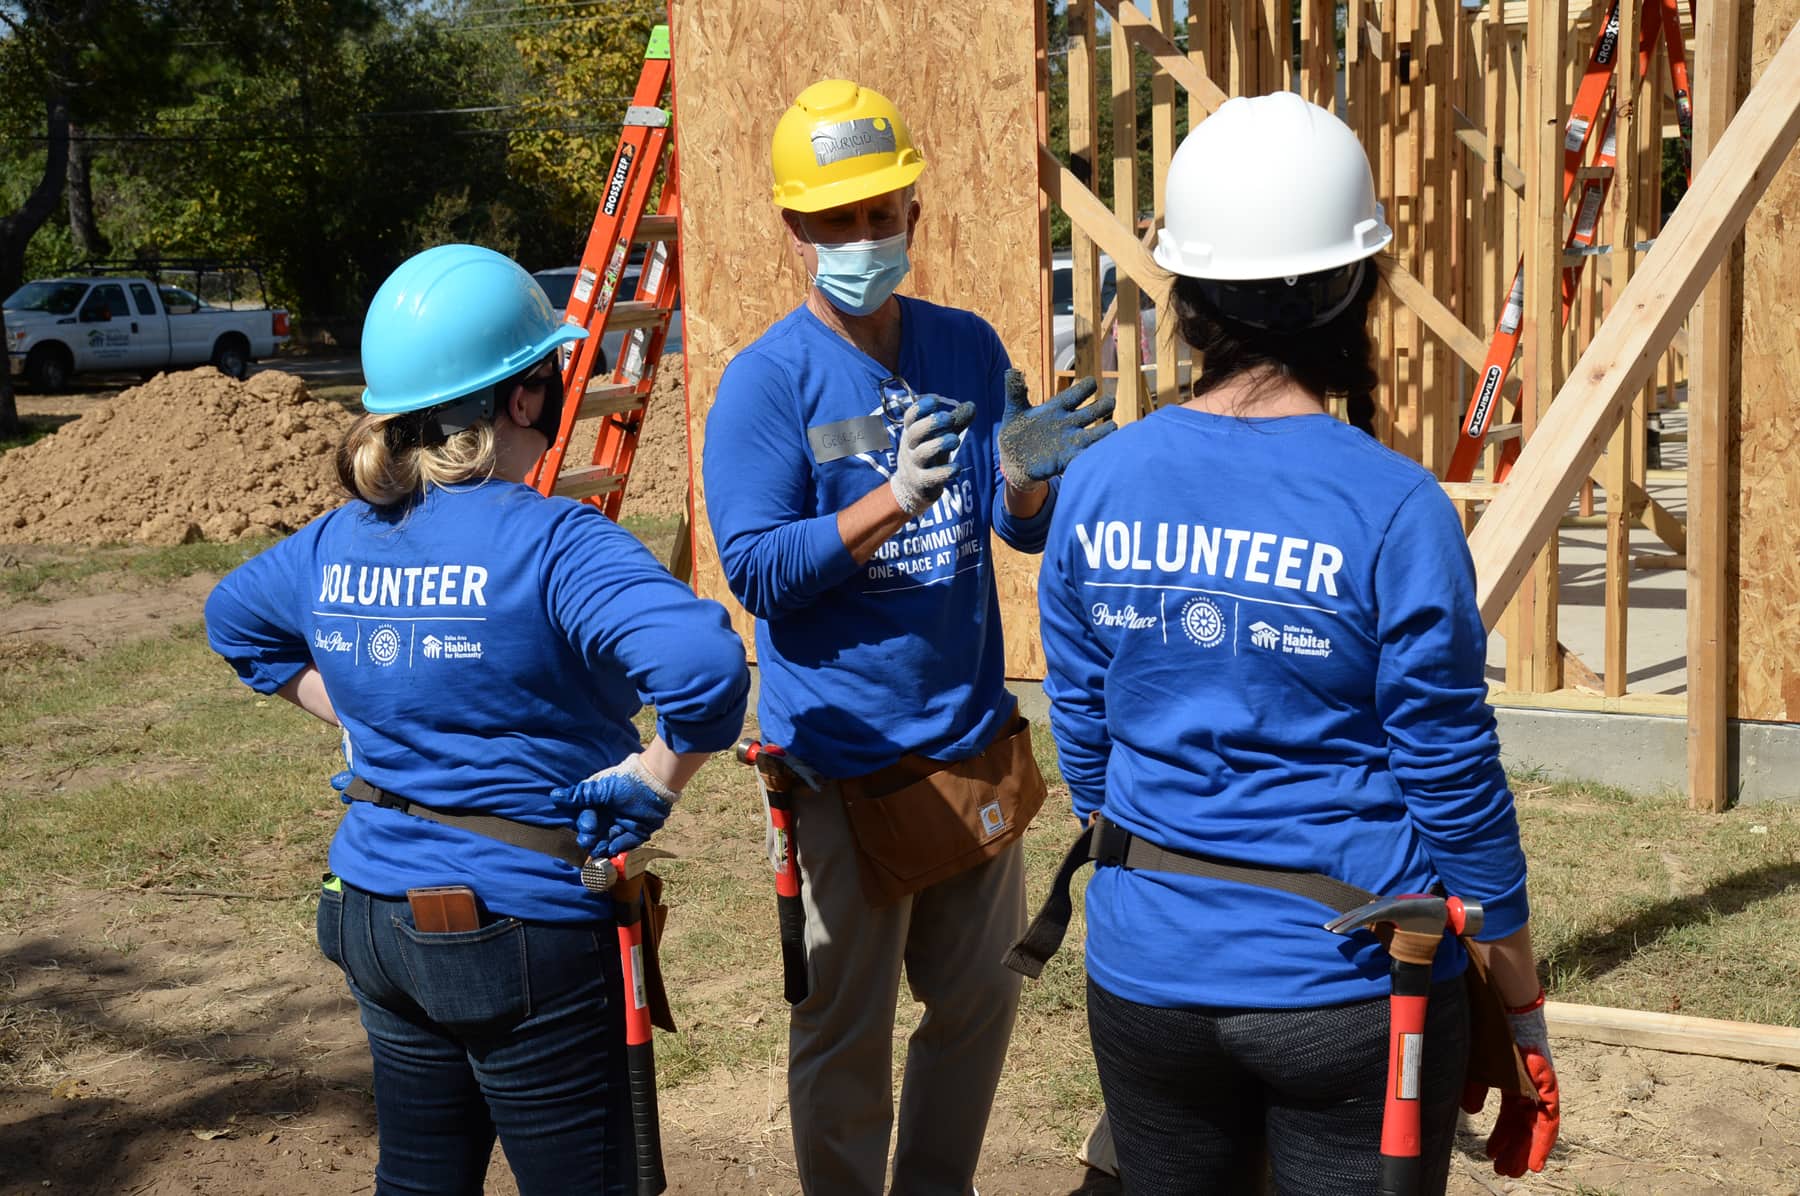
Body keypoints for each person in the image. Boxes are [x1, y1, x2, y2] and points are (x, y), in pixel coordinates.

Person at [1036, 94, 1560, 1194]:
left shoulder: (1098, 483)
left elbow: (1084, 736)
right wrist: (1516, 993)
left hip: (1147, 976)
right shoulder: (1393, 507)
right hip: (1354, 983)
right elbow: (1451, 775)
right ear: (1354, 290)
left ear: (1190, 298)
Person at [204, 243, 749, 1196]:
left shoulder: (339, 540)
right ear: (525, 399)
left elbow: (234, 622)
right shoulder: (553, 542)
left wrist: (357, 707)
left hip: (371, 915)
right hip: (519, 928)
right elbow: (707, 669)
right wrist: (656, 779)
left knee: (420, 1181)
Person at [701, 80, 1115, 1195]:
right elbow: (756, 574)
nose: (863, 239)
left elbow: (1013, 532)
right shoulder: (765, 385)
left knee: (977, 1007)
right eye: (836, 220)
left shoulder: (966, 350)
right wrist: (887, 500)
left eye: (881, 214)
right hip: (838, 767)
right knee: (844, 1033)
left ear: (914, 213)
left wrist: (1026, 483)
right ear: (796, 229)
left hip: (966, 742)